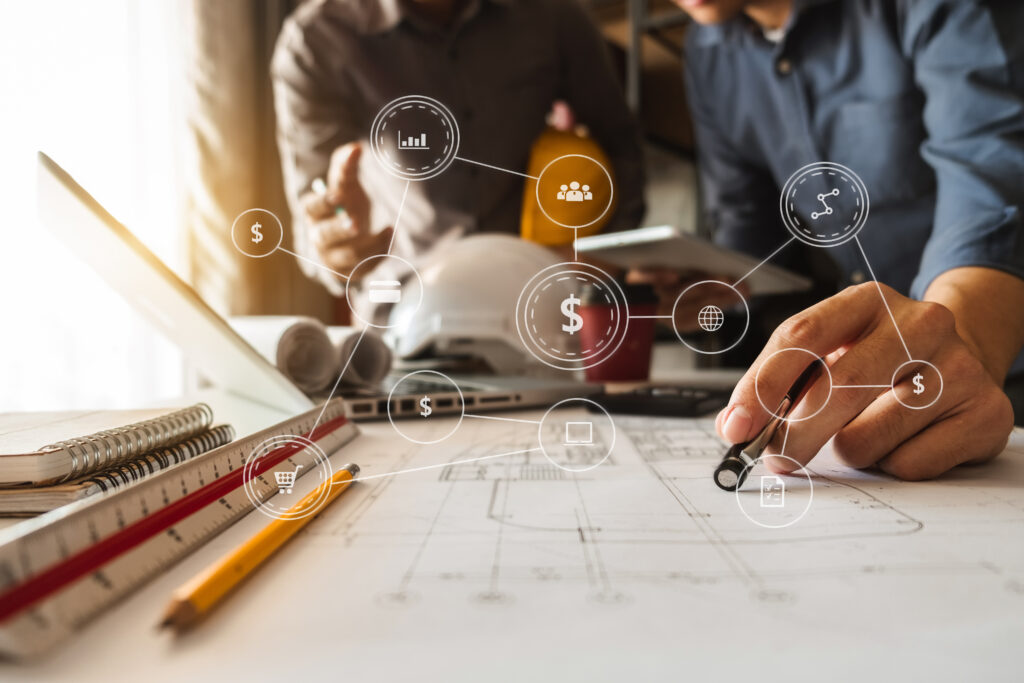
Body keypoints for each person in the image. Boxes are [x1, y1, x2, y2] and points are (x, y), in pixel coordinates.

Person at [661, 0, 1024, 479]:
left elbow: (991, 183)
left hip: (994, 377)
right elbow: (749, 232)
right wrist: (698, 284)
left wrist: (963, 343)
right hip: (865, 396)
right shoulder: (709, 51)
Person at [271, 0, 644, 307]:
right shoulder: (315, 40)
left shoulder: (553, 14)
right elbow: (314, 216)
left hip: (536, 304)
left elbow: (621, 143)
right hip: (401, 315)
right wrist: (336, 244)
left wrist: (608, 250)